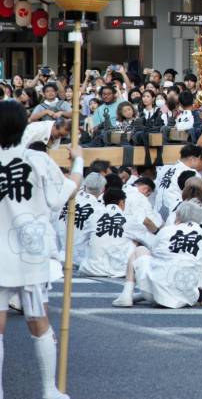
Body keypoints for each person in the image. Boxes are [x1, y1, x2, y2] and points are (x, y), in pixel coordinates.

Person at [0, 99, 82, 399]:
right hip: (30, 253)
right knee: (39, 322)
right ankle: (49, 389)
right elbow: (62, 194)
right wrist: (78, 162)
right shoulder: (38, 161)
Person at [112, 200, 202, 309]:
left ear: (178, 216)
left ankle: (126, 295)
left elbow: (154, 252)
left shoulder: (167, 230)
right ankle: (153, 294)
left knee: (139, 250)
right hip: (187, 297)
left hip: (154, 291)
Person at [78, 188, 134, 278]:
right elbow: (147, 240)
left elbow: (81, 240)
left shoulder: (93, 217)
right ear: (122, 202)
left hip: (91, 268)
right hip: (119, 271)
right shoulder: (129, 219)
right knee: (136, 241)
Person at [153, 144, 202, 221]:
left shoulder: (170, 169)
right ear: (193, 159)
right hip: (175, 215)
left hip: (158, 214)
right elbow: (199, 197)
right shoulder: (191, 173)